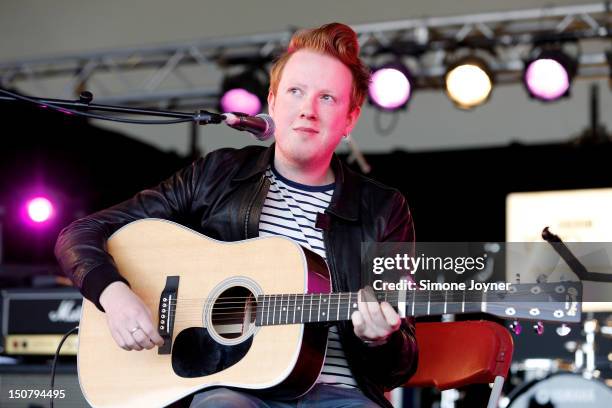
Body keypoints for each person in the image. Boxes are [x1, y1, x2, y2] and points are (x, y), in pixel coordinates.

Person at [55, 22, 417, 408]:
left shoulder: (381, 208)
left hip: (338, 394)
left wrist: (380, 338)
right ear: (273, 102)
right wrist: (114, 294)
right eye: (296, 91)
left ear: (350, 118)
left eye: (327, 98)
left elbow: (400, 364)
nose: (308, 110)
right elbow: (80, 233)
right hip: (229, 387)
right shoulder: (217, 175)